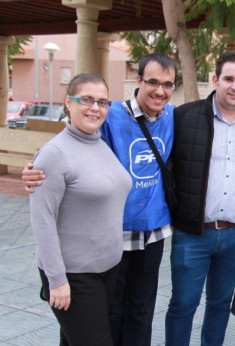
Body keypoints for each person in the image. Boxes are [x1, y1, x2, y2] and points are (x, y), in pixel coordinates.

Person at [23, 53, 178, 346]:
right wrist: (34, 167)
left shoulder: (171, 116)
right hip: (93, 254)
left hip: (135, 243)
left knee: (136, 313)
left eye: (168, 84)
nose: (160, 91)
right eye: (153, 82)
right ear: (138, 80)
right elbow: (67, 148)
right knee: (103, 323)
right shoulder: (109, 118)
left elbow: (83, 145)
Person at [164, 51, 235, 346]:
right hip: (192, 234)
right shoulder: (184, 117)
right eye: (228, 79)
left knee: (221, 305)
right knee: (183, 304)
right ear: (215, 80)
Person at [30, 73, 132, 345]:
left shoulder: (100, 144)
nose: (95, 108)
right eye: (86, 99)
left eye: (102, 102)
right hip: (74, 275)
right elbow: (43, 220)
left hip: (107, 268)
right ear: (68, 103)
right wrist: (57, 279)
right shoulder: (54, 153)